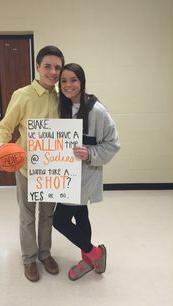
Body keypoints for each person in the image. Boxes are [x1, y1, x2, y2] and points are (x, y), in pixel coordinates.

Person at [0, 45, 65, 282]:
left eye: (57, 68)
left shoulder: (62, 97)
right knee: (28, 216)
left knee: (48, 215)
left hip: (52, 169)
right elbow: (4, 128)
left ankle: (45, 254)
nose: (53, 72)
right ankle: (29, 259)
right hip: (26, 169)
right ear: (37, 67)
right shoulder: (22, 95)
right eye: (48, 67)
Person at [53, 63, 120, 281]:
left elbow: (113, 143)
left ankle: (94, 253)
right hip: (65, 174)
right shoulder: (61, 107)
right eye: (64, 80)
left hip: (84, 176)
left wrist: (89, 152)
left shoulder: (96, 111)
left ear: (82, 81)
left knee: (59, 221)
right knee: (81, 215)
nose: (68, 85)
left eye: (73, 80)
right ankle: (87, 261)